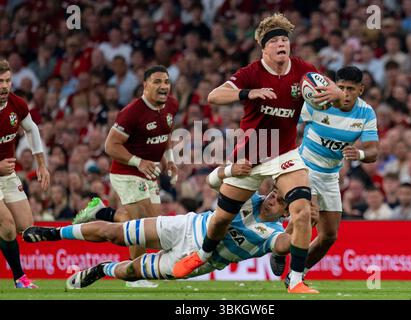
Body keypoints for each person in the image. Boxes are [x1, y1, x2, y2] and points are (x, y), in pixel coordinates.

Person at [171, 13, 345, 294]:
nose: (281, 44)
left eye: (284, 40)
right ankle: (202, 255)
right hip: (250, 156)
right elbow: (214, 96)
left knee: (301, 212)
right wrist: (247, 93)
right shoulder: (251, 72)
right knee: (220, 220)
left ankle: (296, 280)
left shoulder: (302, 70)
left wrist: (333, 93)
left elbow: (332, 88)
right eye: (274, 40)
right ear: (263, 48)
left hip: (285, 154)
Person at [22, 164, 303, 290]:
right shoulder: (249, 195)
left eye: (278, 201)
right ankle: (52, 233)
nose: (271, 199)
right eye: (273, 194)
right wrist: (231, 170)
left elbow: (285, 245)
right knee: (117, 233)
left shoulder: (274, 235)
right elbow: (213, 182)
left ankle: (102, 269)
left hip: (194, 262)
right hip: (185, 226)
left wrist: (302, 221)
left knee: (132, 270)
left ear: (286, 213)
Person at [270, 66, 379, 284]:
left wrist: (358, 153)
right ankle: (283, 255)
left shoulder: (366, 113)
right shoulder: (317, 104)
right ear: (333, 86)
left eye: (351, 88)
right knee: (309, 215)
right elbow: (286, 120)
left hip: (330, 176)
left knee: (329, 236)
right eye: (341, 87)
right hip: (304, 168)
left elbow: (373, 151)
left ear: (361, 89)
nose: (345, 93)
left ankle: (297, 271)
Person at [73, 65, 178, 287]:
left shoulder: (172, 105)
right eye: (157, 82)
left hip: (150, 173)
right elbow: (110, 145)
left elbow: (165, 133)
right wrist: (138, 162)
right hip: (127, 172)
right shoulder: (132, 112)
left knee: (151, 228)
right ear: (145, 85)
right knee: (142, 226)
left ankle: (101, 212)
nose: (163, 86)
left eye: (166, 82)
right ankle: (135, 276)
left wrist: (168, 157)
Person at [0, 59, 50, 288]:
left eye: (8, 81)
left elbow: (32, 129)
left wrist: (41, 164)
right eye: (0, 81)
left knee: (25, 226)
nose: (4, 86)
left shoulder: (16, 104)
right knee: (7, 226)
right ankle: (20, 278)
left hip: (7, 176)